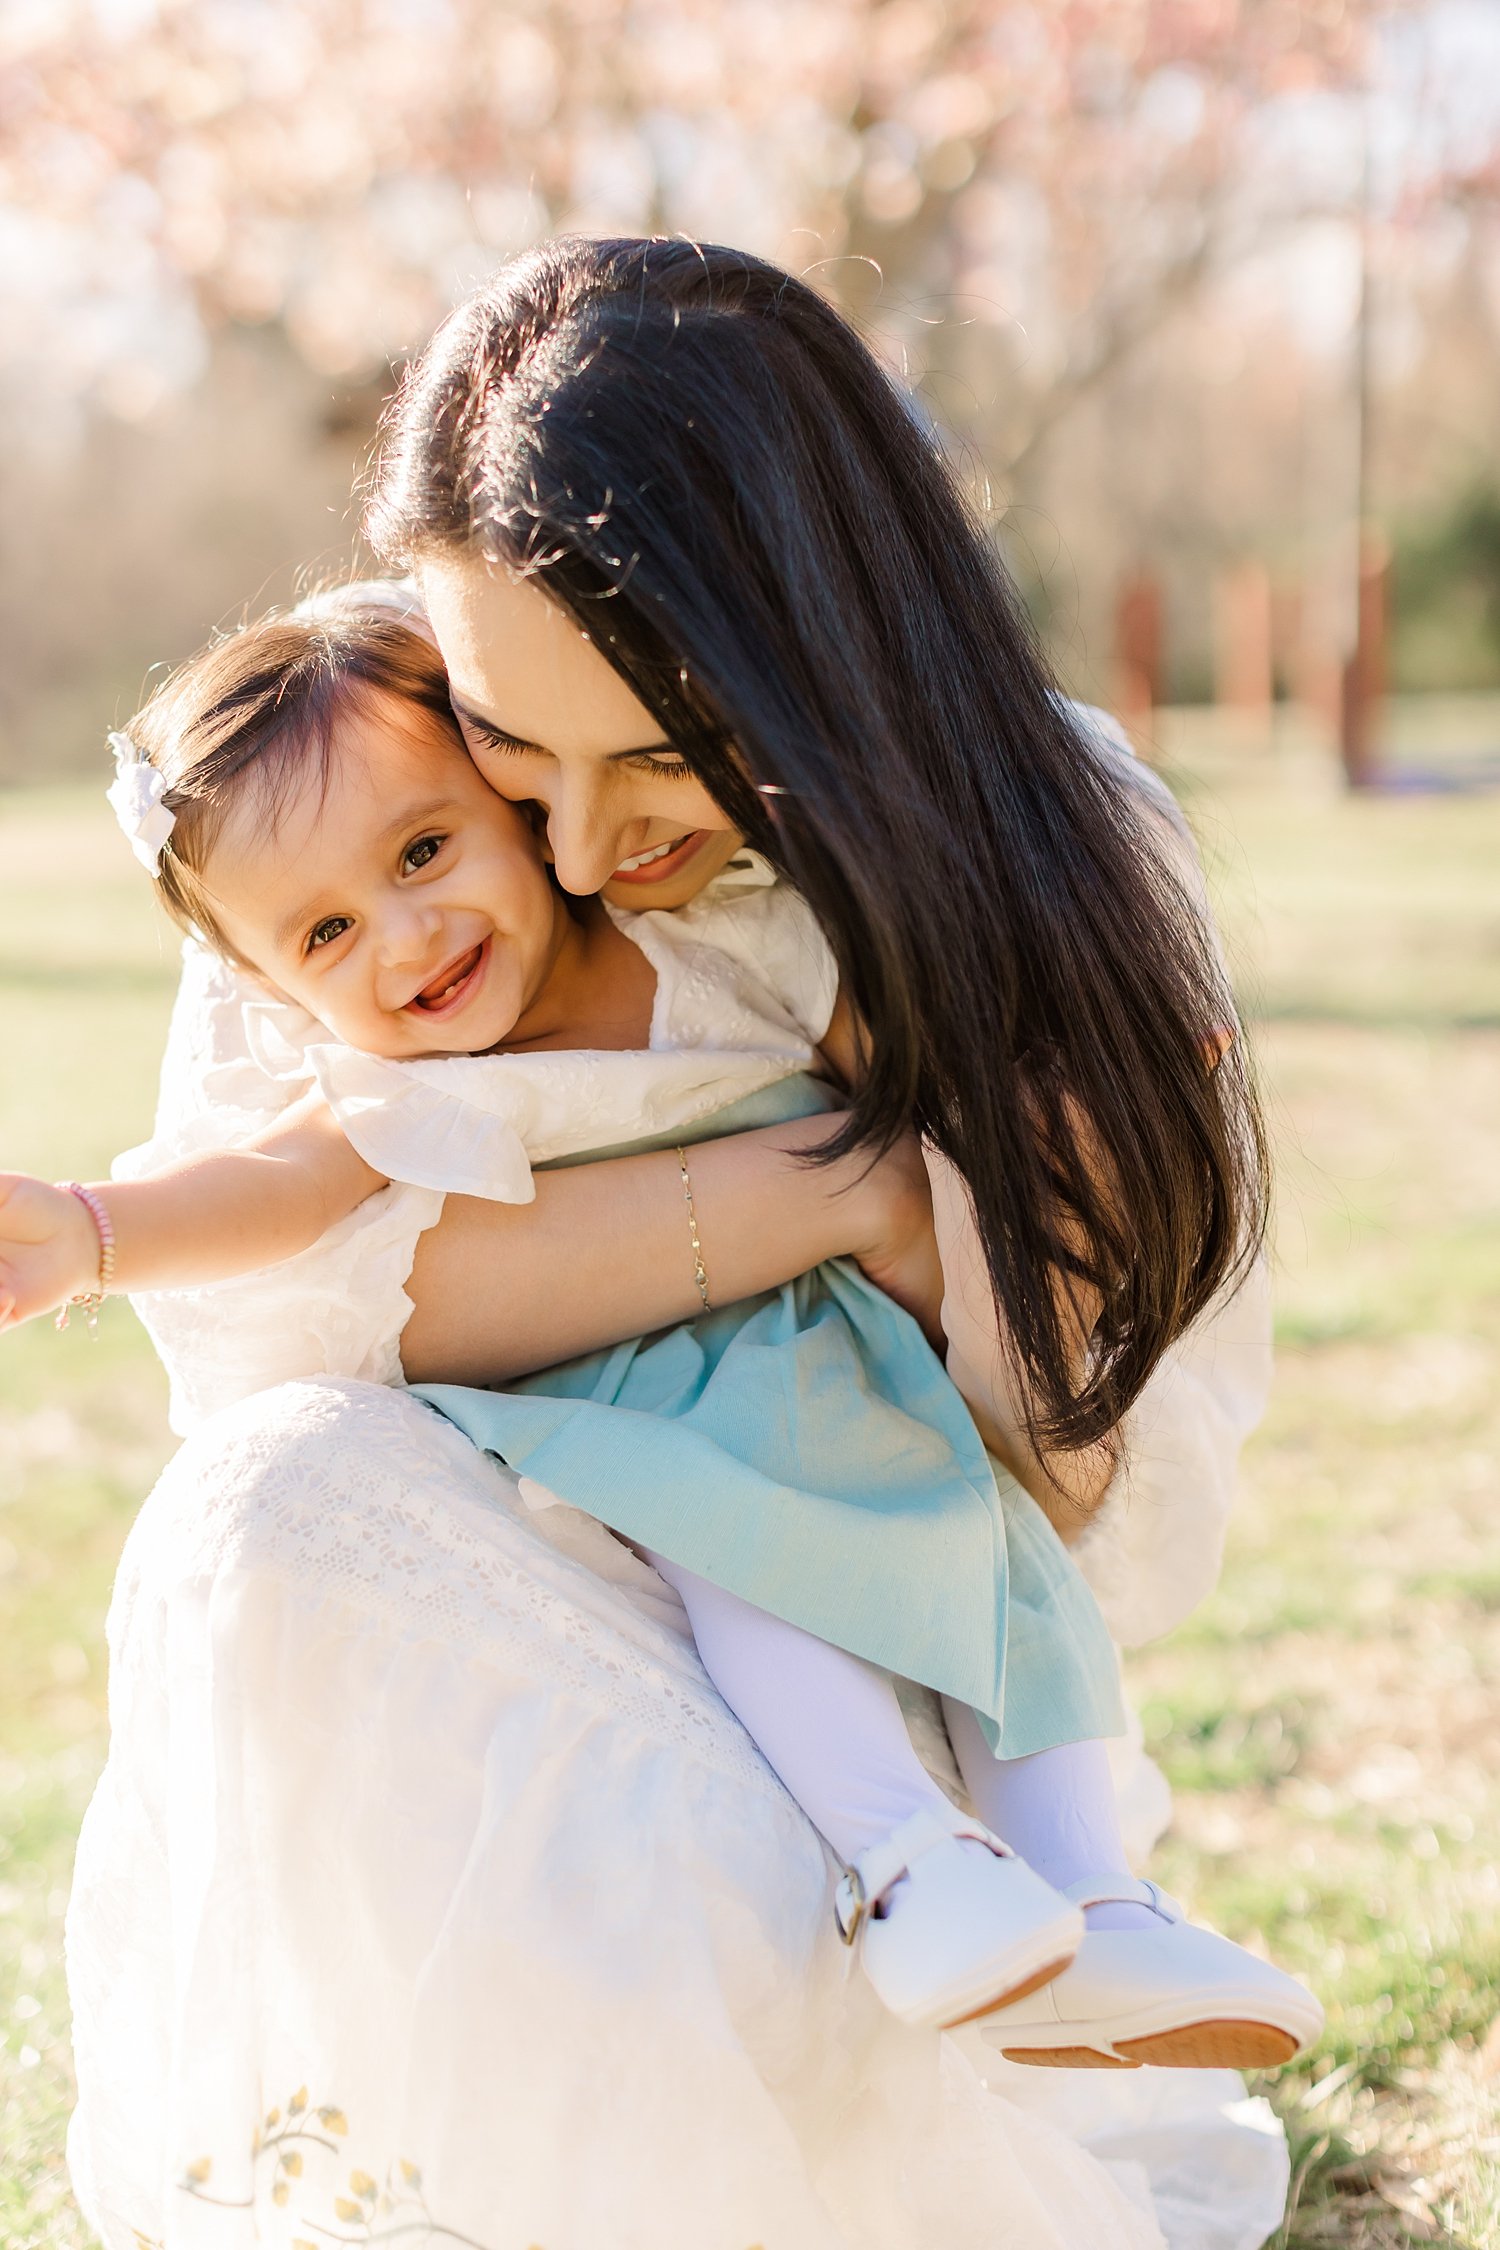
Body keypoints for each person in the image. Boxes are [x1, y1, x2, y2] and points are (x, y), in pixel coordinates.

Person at [59, 237, 1296, 2250]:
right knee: (268, 1505)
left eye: (658, 755)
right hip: (524, 1577)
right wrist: (869, 1182)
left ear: (827, 653)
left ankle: (1022, 1918)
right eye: (513, 754)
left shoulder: (1052, 831)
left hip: (885, 1611)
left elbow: (1095, 1490)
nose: (560, 849)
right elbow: (285, 1327)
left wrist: (961, 1217)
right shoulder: (350, 759)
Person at [2, 601, 1317, 2060]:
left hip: (853, 1356)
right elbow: (269, 1187)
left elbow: (909, 1051)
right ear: (276, 983)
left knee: (1011, 1594)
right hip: (651, 1416)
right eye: (326, 931)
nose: (406, 938)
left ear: (511, 804)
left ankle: (1095, 1901)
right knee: (757, 1568)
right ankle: (907, 1867)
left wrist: (1094, 1061)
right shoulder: (398, 1087)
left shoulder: (715, 950)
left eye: (424, 851)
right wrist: (92, 1232)